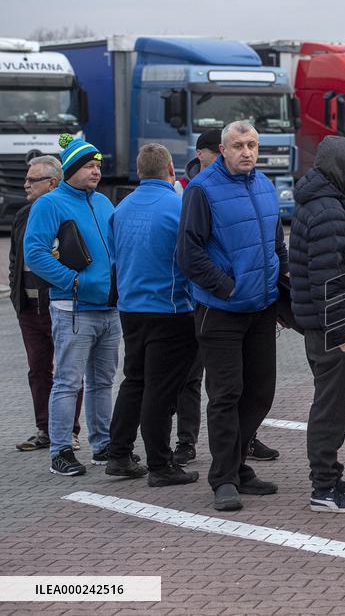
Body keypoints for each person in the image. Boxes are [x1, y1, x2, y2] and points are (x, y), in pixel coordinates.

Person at [177, 120, 288, 511]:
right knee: (226, 395)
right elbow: (189, 254)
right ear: (222, 150)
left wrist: (280, 287)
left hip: (262, 308)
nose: (247, 152)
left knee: (260, 392)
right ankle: (223, 479)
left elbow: (276, 245)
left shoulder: (265, 186)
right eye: (239, 145)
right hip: (220, 310)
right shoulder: (202, 190)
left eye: (252, 145)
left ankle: (239, 466)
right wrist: (227, 287)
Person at [104, 143, 200, 486]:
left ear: (139, 171)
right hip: (170, 309)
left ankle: (118, 453)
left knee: (135, 381)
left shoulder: (121, 208)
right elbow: (190, 260)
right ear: (171, 169)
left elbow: (114, 258)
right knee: (161, 390)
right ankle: (160, 465)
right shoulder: (178, 207)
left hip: (131, 309)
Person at [24, 135, 120, 476]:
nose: (96, 172)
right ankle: (61, 450)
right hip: (73, 310)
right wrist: (74, 282)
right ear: (71, 169)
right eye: (89, 166)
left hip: (109, 310)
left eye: (98, 166)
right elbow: (35, 253)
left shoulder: (104, 203)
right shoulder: (49, 204)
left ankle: (103, 445)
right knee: (68, 382)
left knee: (102, 382)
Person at [289, 135, 345, 514]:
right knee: (329, 410)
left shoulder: (320, 204)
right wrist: (341, 333)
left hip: (321, 328)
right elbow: (328, 279)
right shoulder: (328, 212)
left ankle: (331, 476)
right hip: (330, 331)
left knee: (330, 405)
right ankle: (323, 488)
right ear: (339, 167)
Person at [10, 155, 83, 452]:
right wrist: (16, 296)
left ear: (52, 183)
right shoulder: (23, 215)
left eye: (32, 180)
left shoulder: (66, 213)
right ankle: (45, 429)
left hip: (59, 306)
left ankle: (69, 432)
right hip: (29, 310)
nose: (26, 184)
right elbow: (15, 259)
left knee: (68, 371)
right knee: (38, 370)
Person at [172, 128, 219, 464]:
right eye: (216, 152)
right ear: (200, 154)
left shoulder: (237, 185)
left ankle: (247, 438)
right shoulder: (182, 190)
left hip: (222, 298)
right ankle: (185, 442)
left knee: (230, 377)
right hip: (190, 300)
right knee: (189, 376)